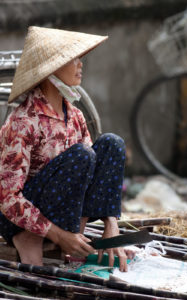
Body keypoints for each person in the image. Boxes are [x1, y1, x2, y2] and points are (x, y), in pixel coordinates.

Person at [0, 26, 132, 270]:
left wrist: (110, 224)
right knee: (83, 154)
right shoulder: (22, 122)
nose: (81, 65)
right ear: (51, 69)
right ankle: (33, 239)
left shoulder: (76, 116)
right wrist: (57, 234)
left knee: (111, 143)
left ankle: (77, 232)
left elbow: (93, 172)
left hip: (65, 211)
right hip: (20, 220)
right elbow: (8, 201)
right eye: (73, 60)